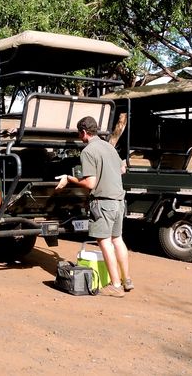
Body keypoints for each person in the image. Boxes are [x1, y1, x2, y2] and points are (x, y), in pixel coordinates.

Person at [56, 116, 133, 297]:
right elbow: (123, 169)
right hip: (119, 201)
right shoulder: (109, 147)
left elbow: (90, 183)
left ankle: (115, 285)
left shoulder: (88, 151)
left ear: (83, 132)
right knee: (117, 239)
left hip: (104, 202)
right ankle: (127, 280)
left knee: (104, 242)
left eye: (79, 134)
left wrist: (69, 178)